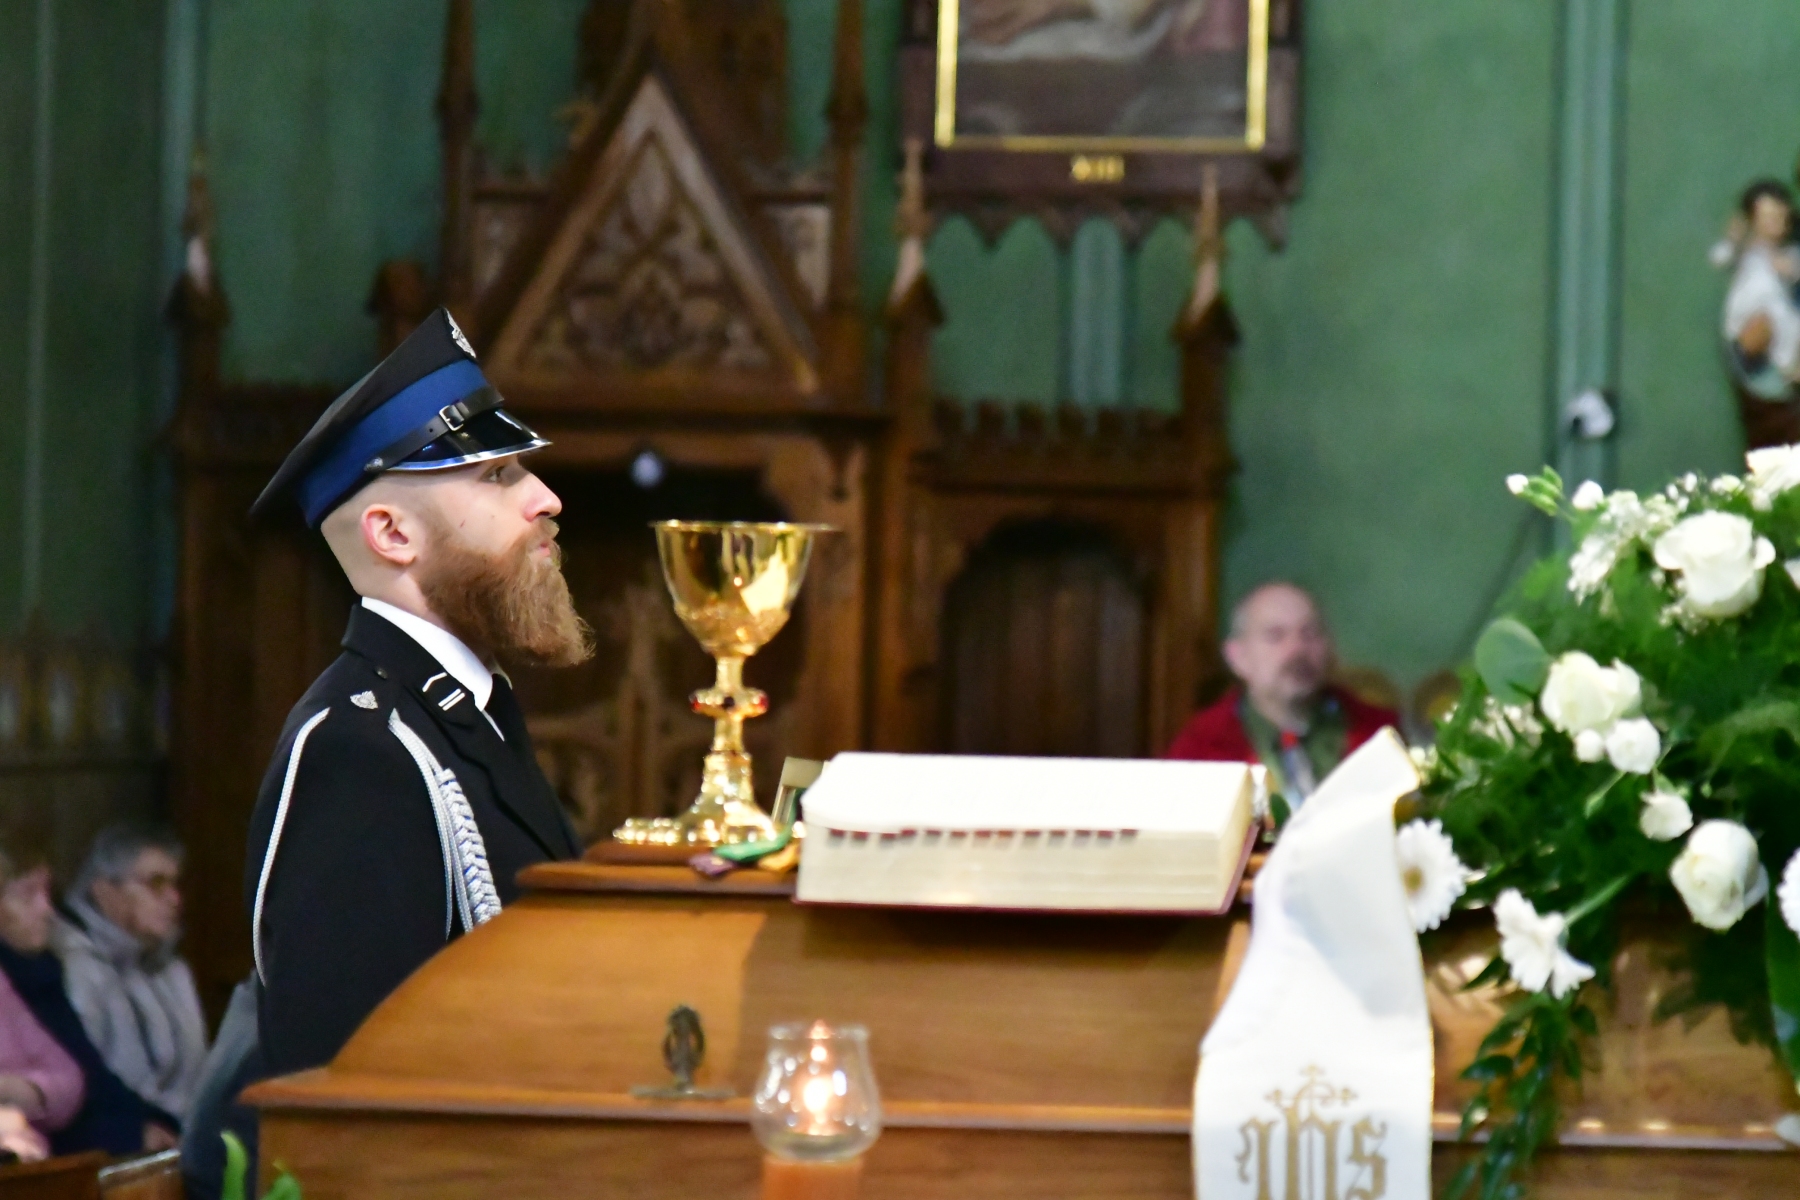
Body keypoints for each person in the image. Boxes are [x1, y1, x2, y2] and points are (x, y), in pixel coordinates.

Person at [0, 839, 178, 1156]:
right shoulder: (55, 971)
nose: (47, 910)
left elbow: (80, 1077)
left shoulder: (40, 974)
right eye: (28, 896)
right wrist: (130, 1135)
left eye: (47, 893)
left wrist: (150, 1121)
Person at [1165, 582, 1398, 807]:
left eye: (1310, 634)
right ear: (1237, 657)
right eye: (1275, 636)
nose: (1297, 649)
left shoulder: (1381, 736)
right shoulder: (1200, 749)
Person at [53, 824, 208, 1123]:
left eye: (175, 884)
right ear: (105, 891)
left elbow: (196, 1074)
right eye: (155, 883)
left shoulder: (172, 968)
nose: (174, 899)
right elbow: (90, 1078)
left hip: (185, 1128)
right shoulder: (73, 964)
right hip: (121, 1131)